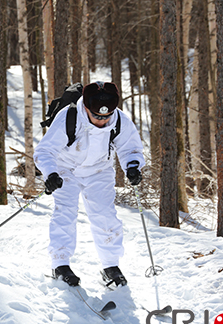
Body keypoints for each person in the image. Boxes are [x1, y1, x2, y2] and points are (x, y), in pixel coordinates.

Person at [33, 81, 145, 287]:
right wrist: (51, 174)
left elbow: (130, 148)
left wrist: (132, 166)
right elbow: (44, 151)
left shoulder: (119, 119)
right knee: (65, 213)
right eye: (97, 116)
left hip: (99, 170)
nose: (103, 121)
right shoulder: (69, 116)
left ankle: (111, 266)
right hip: (66, 169)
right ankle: (60, 264)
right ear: (86, 107)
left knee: (105, 216)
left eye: (106, 116)